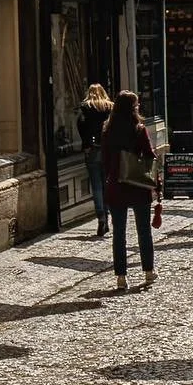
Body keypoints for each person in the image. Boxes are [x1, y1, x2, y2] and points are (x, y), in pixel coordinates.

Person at [101, 90, 160, 291]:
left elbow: (105, 161)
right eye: (136, 105)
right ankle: (148, 271)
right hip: (137, 185)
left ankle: (121, 277)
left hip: (117, 186)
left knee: (119, 233)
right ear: (132, 108)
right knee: (143, 231)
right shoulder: (138, 129)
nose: (138, 108)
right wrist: (154, 181)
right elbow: (150, 156)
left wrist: (114, 173)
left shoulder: (108, 131)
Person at [76, 83, 112, 236]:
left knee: (96, 186)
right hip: (107, 149)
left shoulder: (85, 108)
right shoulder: (110, 107)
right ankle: (108, 214)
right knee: (107, 185)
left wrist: (86, 144)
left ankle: (101, 217)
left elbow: (81, 126)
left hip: (92, 149)